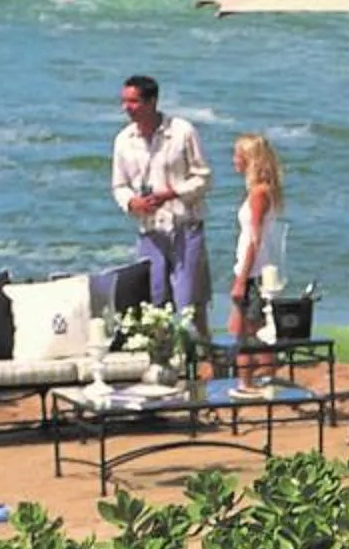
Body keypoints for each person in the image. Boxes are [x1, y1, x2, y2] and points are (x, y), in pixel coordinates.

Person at [111, 74, 211, 343]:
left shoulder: (182, 131)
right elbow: (119, 185)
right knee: (153, 301)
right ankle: (164, 360)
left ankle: (206, 357)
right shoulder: (123, 140)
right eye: (124, 102)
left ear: (152, 101)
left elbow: (203, 177)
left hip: (184, 225)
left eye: (133, 102)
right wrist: (133, 202)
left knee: (189, 302)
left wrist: (173, 193)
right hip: (149, 229)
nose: (127, 108)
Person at [227, 132, 288, 368]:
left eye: (238, 155)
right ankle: (254, 380)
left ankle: (257, 380)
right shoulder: (261, 191)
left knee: (249, 332)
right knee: (246, 329)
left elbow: (254, 238)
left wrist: (242, 279)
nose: (234, 160)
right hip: (255, 269)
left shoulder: (259, 193)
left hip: (254, 271)